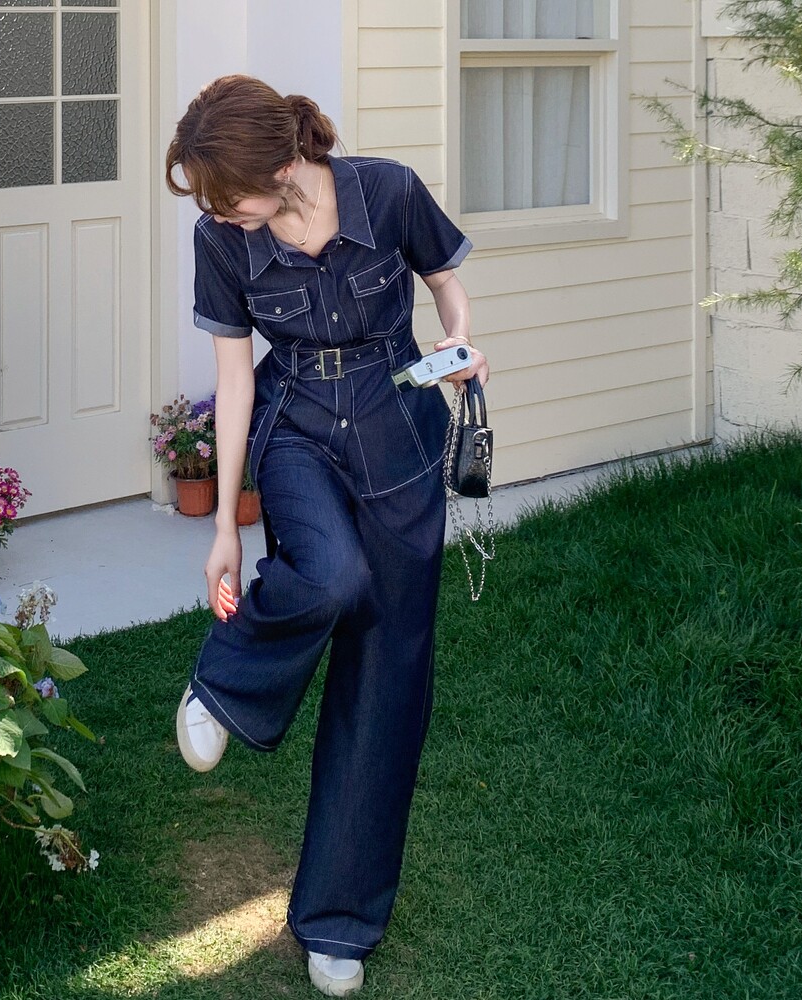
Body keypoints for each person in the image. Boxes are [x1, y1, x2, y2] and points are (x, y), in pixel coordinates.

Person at [165, 75, 488, 997]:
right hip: (296, 423)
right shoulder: (222, 241)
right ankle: (224, 682)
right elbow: (234, 380)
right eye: (210, 203)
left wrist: (459, 348)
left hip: (399, 426)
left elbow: (448, 292)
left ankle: (339, 924)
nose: (222, 215)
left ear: (281, 162)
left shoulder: (386, 190)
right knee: (333, 576)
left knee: (389, 676)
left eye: (229, 194)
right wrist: (226, 524)